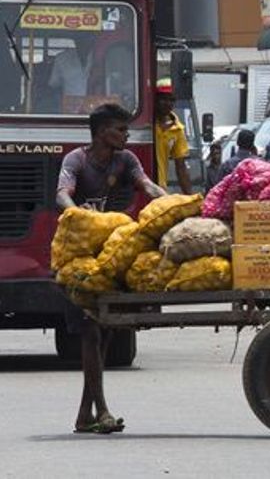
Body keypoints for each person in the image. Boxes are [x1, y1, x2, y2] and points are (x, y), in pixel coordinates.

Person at [56, 104, 166, 434]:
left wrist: (169, 202)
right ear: (103, 131)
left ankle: (83, 415)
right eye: (120, 129)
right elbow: (62, 193)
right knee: (92, 332)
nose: (126, 135)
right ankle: (101, 411)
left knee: (104, 335)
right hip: (79, 257)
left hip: (110, 255)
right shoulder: (76, 160)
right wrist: (80, 216)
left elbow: (147, 186)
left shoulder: (127, 160)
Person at [153, 79, 192, 194]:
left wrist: (190, 198)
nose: (168, 103)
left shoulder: (177, 129)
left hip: (159, 189)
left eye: (172, 100)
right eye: (164, 99)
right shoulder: (147, 124)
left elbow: (181, 167)